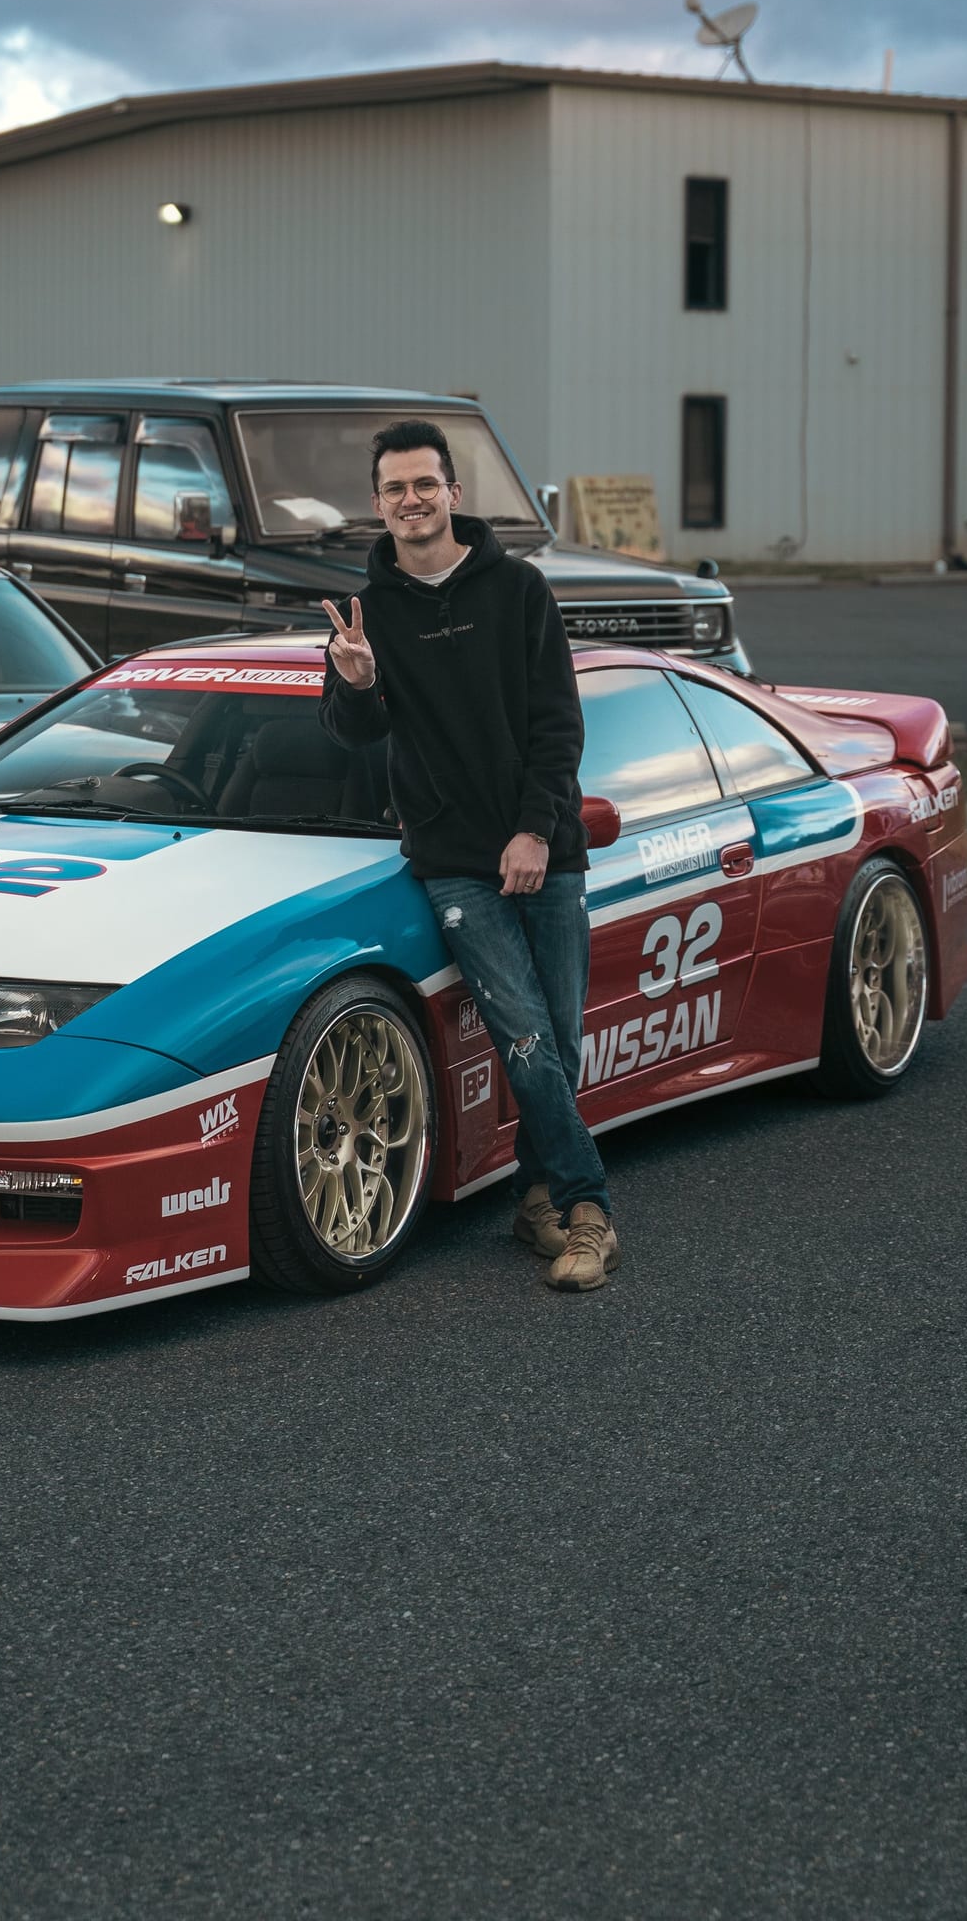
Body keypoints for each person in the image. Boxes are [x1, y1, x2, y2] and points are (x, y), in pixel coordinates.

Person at [319, 418, 618, 1291]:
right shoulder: (365, 614)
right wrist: (357, 682)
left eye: (425, 484)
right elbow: (351, 734)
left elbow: (557, 725)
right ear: (377, 505)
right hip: (452, 859)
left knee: (557, 1039)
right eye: (395, 489)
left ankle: (534, 1203)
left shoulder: (518, 589)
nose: (411, 499)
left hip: (547, 848)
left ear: (452, 492)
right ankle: (589, 1212)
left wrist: (534, 831)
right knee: (523, 1035)